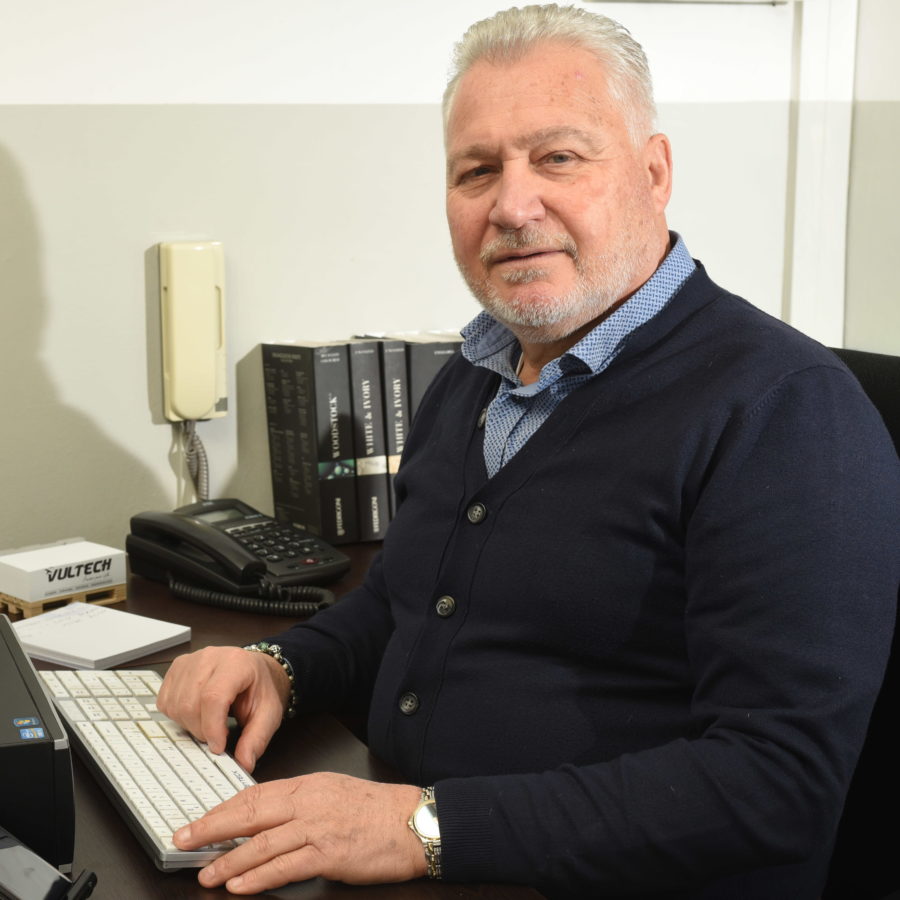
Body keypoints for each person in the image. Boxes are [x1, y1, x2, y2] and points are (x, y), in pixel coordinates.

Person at [156, 5, 900, 898]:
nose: (512, 205)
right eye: (477, 171)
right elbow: (401, 604)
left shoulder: (784, 410)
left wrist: (422, 826)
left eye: (558, 157)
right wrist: (280, 666)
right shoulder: (475, 376)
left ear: (653, 173)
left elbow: (777, 785)